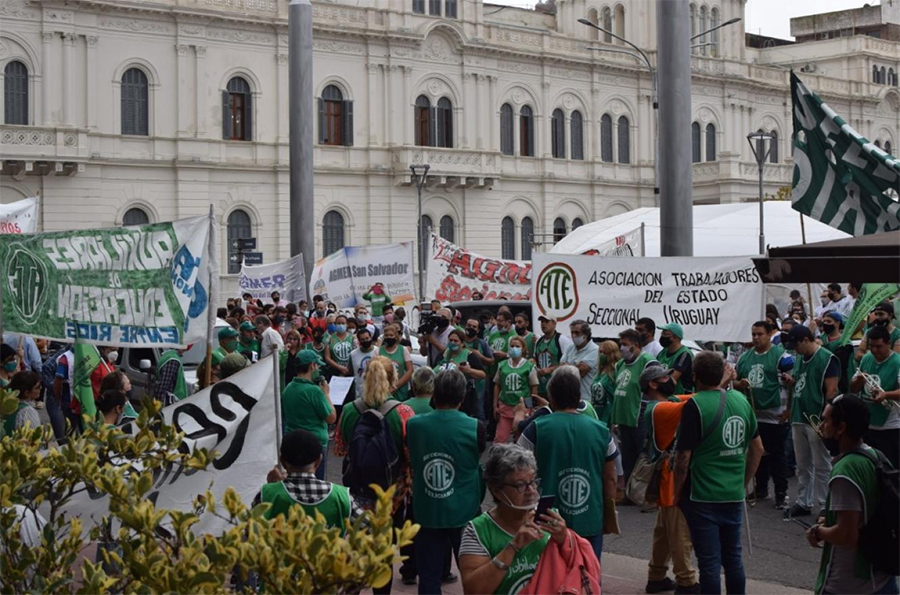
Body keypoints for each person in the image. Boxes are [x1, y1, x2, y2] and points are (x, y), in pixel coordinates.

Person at [673, 352, 764, 595]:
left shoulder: (695, 405)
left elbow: (682, 459)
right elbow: (758, 449)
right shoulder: (741, 401)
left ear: (694, 376)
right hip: (732, 493)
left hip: (702, 494)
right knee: (733, 558)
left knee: (709, 563)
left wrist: (676, 492)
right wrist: (743, 483)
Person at [517, 366, 617, 563]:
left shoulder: (535, 429)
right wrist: (608, 516)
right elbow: (610, 478)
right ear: (578, 397)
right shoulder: (602, 431)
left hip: (546, 519)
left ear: (551, 397)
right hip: (590, 516)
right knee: (588, 570)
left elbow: (517, 471)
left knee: (548, 572)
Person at [335, 357, 416, 595]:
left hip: (358, 493)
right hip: (392, 495)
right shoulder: (403, 412)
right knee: (384, 552)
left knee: (357, 549)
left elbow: (340, 449)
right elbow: (410, 455)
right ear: (393, 380)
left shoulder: (350, 410)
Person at [808, 394, 898, 595]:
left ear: (841, 428)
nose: (821, 427)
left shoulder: (845, 471)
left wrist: (818, 532)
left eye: (825, 421)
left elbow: (847, 534)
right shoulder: (876, 456)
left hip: (849, 585)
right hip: (883, 580)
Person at [407, 368, 486, 595]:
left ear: (435, 393)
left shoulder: (414, 425)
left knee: (428, 577)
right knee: (475, 573)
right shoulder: (475, 427)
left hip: (427, 507)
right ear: (462, 396)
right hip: (465, 508)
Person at [458, 444, 569, 595]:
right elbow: (473, 591)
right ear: (496, 490)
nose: (531, 491)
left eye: (533, 481)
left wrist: (565, 540)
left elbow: (573, 568)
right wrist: (513, 547)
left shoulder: (549, 518)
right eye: (520, 485)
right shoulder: (478, 531)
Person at [640, 364, 699, 594]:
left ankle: (656, 576)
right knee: (679, 531)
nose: (671, 379)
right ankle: (686, 581)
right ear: (653, 384)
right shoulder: (658, 409)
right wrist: (721, 383)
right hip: (670, 478)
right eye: (665, 377)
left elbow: (694, 397)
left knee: (664, 531)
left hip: (667, 476)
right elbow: (697, 404)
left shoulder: (666, 402)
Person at [734, 321, 794, 508]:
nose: (756, 338)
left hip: (775, 415)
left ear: (769, 335)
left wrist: (789, 410)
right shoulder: (744, 358)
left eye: (760, 334)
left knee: (777, 456)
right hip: (753, 414)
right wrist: (739, 384)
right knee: (757, 453)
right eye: (753, 334)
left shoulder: (782, 357)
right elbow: (733, 382)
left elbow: (794, 383)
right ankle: (760, 489)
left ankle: (781, 493)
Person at [782, 325, 840, 518]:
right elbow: (801, 381)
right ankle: (803, 502)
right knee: (802, 464)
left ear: (806, 340)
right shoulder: (800, 357)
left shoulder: (827, 358)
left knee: (822, 464)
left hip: (816, 416)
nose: (795, 350)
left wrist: (827, 419)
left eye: (797, 345)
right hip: (799, 414)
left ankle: (826, 504)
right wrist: (792, 383)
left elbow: (832, 390)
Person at [256, 429, 363, 530]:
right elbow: (369, 526)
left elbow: (251, 530)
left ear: (282, 462)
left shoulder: (266, 494)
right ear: (318, 461)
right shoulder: (342, 497)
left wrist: (273, 486)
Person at [850, 325, 900, 468]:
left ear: (888, 343)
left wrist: (886, 394)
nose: (874, 350)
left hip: (890, 425)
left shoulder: (897, 362)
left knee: (890, 467)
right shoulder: (867, 359)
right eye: (871, 346)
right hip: (868, 423)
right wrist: (859, 380)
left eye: (879, 346)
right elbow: (853, 388)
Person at [281, 351, 336, 480]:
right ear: (312, 365)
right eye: (317, 366)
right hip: (314, 444)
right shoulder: (314, 391)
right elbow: (331, 418)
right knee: (316, 482)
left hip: (292, 441)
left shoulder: (288, 388)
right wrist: (326, 394)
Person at [611, 328, 656, 482]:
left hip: (639, 418)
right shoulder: (619, 365)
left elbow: (656, 389)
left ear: (636, 345)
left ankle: (643, 492)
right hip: (623, 419)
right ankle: (628, 491)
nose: (621, 348)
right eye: (620, 344)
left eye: (625, 344)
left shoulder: (648, 362)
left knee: (642, 458)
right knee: (627, 459)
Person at [493, 336, 538, 444]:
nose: (514, 348)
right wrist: (495, 405)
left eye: (517, 346)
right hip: (505, 406)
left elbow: (533, 387)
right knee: (500, 438)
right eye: (512, 346)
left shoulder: (529, 366)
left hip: (522, 408)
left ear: (523, 349)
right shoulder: (502, 365)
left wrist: (530, 407)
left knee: (521, 438)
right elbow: (497, 385)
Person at [533, 314, 573, 402]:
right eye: (542, 322)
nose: (543, 324)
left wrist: (550, 369)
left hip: (558, 386)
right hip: (541, 387)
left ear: (554, 324)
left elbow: (569, 363)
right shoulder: (539, 341)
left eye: (547, 322)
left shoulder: (561, 339)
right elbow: (535, 359)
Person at [559, 319, 599, 403]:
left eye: (577, 333)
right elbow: (560, 368)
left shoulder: (595, 350)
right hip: (569, 398)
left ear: (585, 334)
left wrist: (567, 365)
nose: (574, 335)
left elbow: (580, 372)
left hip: (586, 399)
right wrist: (574, 366)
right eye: (572, 332)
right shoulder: (570, 347)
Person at [463, 318, 495, 419]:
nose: (471, 328)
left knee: (478, 408)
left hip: (478, 383)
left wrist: (480, 356)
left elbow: (491, 361)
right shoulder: (459, 341)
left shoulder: (482, 343)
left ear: (478, 330)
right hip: (462, 382)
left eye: (474, 327)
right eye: (469, 325)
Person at [655, 323, 693, 394]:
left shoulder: (684, 354)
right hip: (664, 394)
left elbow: (672, 379)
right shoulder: (663, 352)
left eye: (665, 334)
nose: (662, 336)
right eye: (662, 333)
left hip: (680, 396)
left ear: (676, 337)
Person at [590, 340, 621, 425]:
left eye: (605, 353)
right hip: (597, 412)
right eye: (600, 352)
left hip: (609, 414)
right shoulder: (599, 372)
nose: (601, 355)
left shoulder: (615, 372)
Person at [380, 324, 413, 402]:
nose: (389, 337)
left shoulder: (403, 350)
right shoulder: (378, 351)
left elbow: (410, 370)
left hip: (401, 390)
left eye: (391, 335)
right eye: (386, 335)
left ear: (396, 336)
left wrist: (395, 386)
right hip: (384, 391)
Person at [2, 371, 42, 436]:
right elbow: (34, 437)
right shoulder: (28, 411)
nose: (41, 388)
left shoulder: (6, 404)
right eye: (38, 387)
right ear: (27, 393)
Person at [349, 328, 378, 399]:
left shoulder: (378, 351)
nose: (365, 341)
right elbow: (351, 372)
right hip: (360, 393)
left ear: (371, 337)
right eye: (362, 339)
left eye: (367, 338)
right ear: (359, 341)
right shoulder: (353, 354)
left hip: (377, 390)